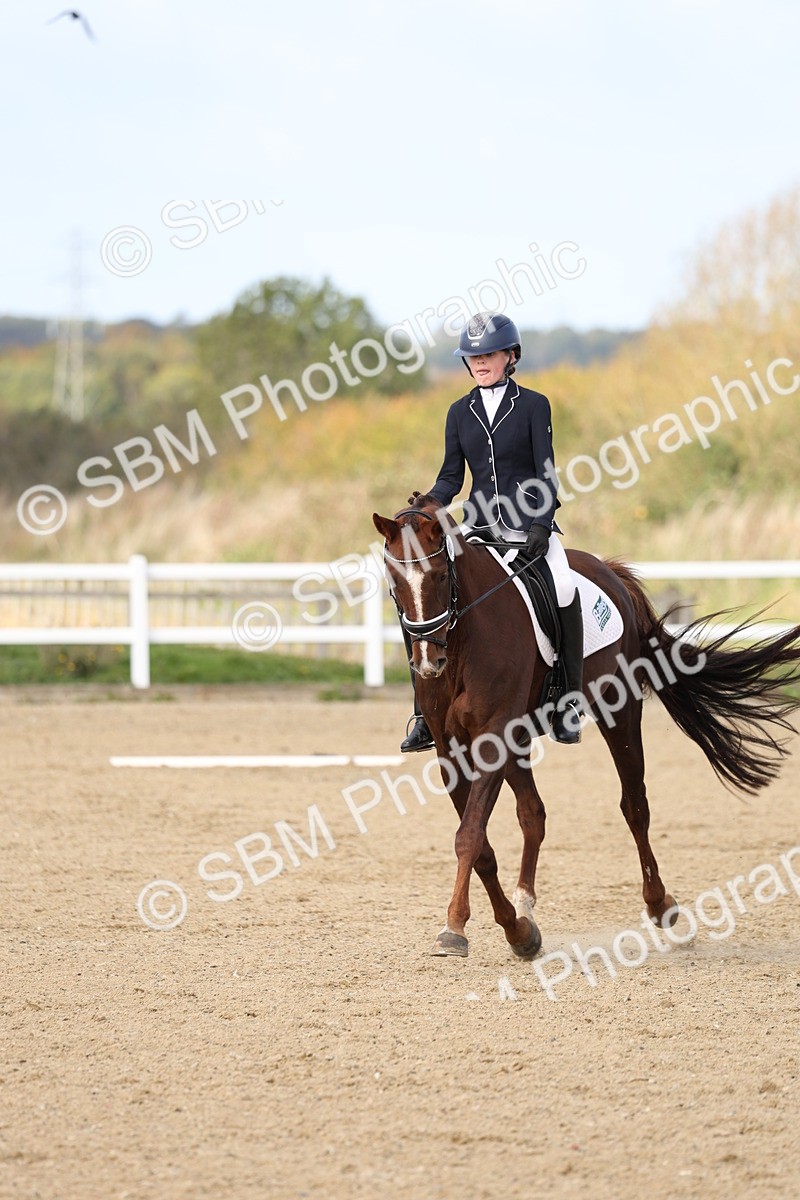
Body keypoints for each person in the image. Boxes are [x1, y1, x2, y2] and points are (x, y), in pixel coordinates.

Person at [400, 310, 583, 752]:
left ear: (510, 356)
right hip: (480, 529)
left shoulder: (534, 405)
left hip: (530, 529)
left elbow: (546, 471)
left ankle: (568, 702)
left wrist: (542, 523)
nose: (479, 362)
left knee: (562, 588)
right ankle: (425, 714)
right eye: (472, 356)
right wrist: (427, 504)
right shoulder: (458, 412)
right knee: (424, 594)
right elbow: (451, 477)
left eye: (489, 354)